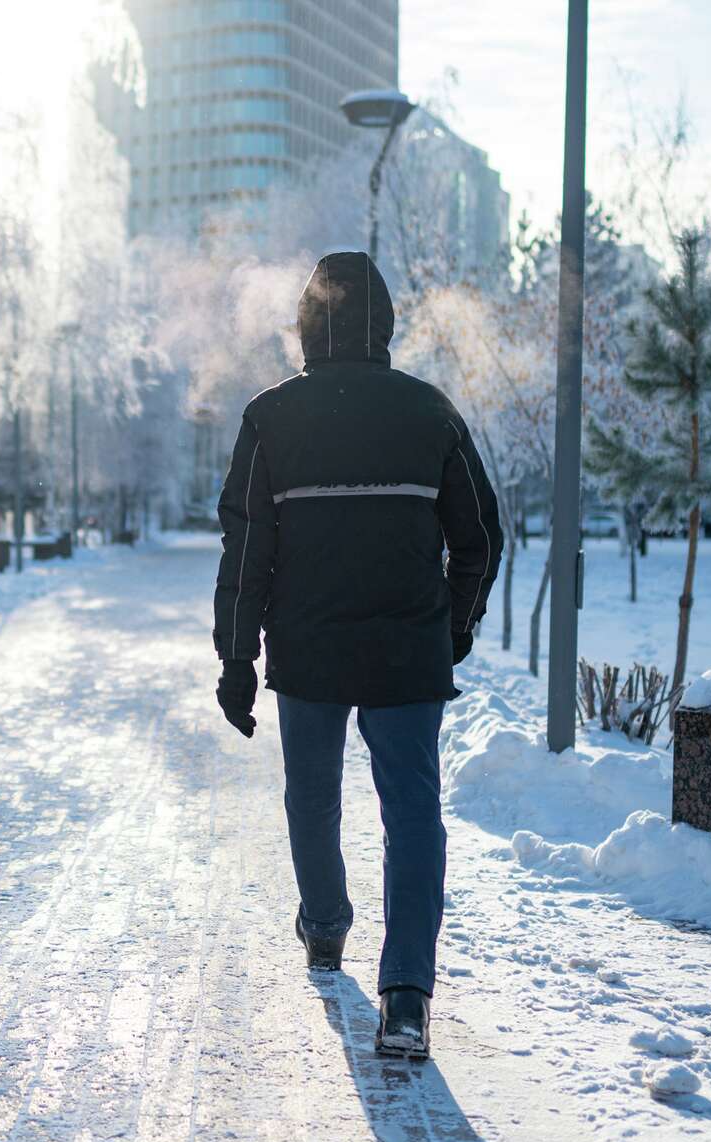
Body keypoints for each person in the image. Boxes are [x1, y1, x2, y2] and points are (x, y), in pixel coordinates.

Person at [211, 251, 501, 1059]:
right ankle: (406, 995)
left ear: (307, 324)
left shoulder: (271, 417)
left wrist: (238, 659)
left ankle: (326, 928)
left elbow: (246, 552)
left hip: (306, 652)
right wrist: (454, 627)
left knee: (312, 796)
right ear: (385, 324)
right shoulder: (430, 411)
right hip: (408, 652)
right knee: (412, 813)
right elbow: (480, 536)